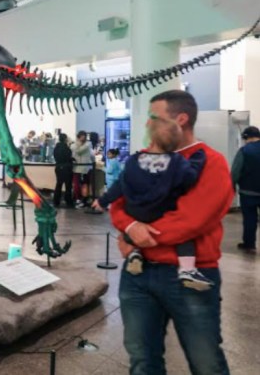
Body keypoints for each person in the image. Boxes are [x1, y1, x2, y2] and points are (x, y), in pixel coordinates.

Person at [110, 90, 232, 374]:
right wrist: (129, 225)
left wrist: (133, 236)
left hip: (190, 277)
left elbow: (192, 219)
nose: (148, 124)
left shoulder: (211, 162)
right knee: (142, 360)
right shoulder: (142, 159)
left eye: (154, 118)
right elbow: (118, 203)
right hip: (137, 276)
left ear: (181, 119)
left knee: (206, 363)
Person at [94, 115, 211, 289]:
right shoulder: (177, 162)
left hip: (137, 212)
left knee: (131, 229)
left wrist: (103, 201)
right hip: (161, 212)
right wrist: (198, 157)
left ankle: (134, 254)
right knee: (186, 237)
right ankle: (187, 269)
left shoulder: (133, 161)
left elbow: (120, 185)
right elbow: (190, 177)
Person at [232, 125, 260, 252]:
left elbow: (235, 171)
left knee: (250, 219)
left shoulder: (244, 151)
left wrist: (231, 186)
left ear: (246, 137)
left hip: (248, 192)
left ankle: (249, 245)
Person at [70, 131, 93, 208]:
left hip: (86, 167)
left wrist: (93, 161)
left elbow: (90, 154)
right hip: (77, 168)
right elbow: (77, 151)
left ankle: (85, 199)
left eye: (85, 136)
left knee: (85, 184)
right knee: (76, 185)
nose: (84, 138)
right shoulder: (74, 145)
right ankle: (78, 199)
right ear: (78, 136)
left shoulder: (88, 144)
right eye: (82, 136)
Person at [52, 133, 74, 208]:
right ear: (65, 139)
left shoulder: (56, 148)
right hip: (66, 168)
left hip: (58, 167)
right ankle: (68, 201)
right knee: (68, 185)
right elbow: (68, 157)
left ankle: (56, 201)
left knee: (59, 184)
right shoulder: (66, 148)